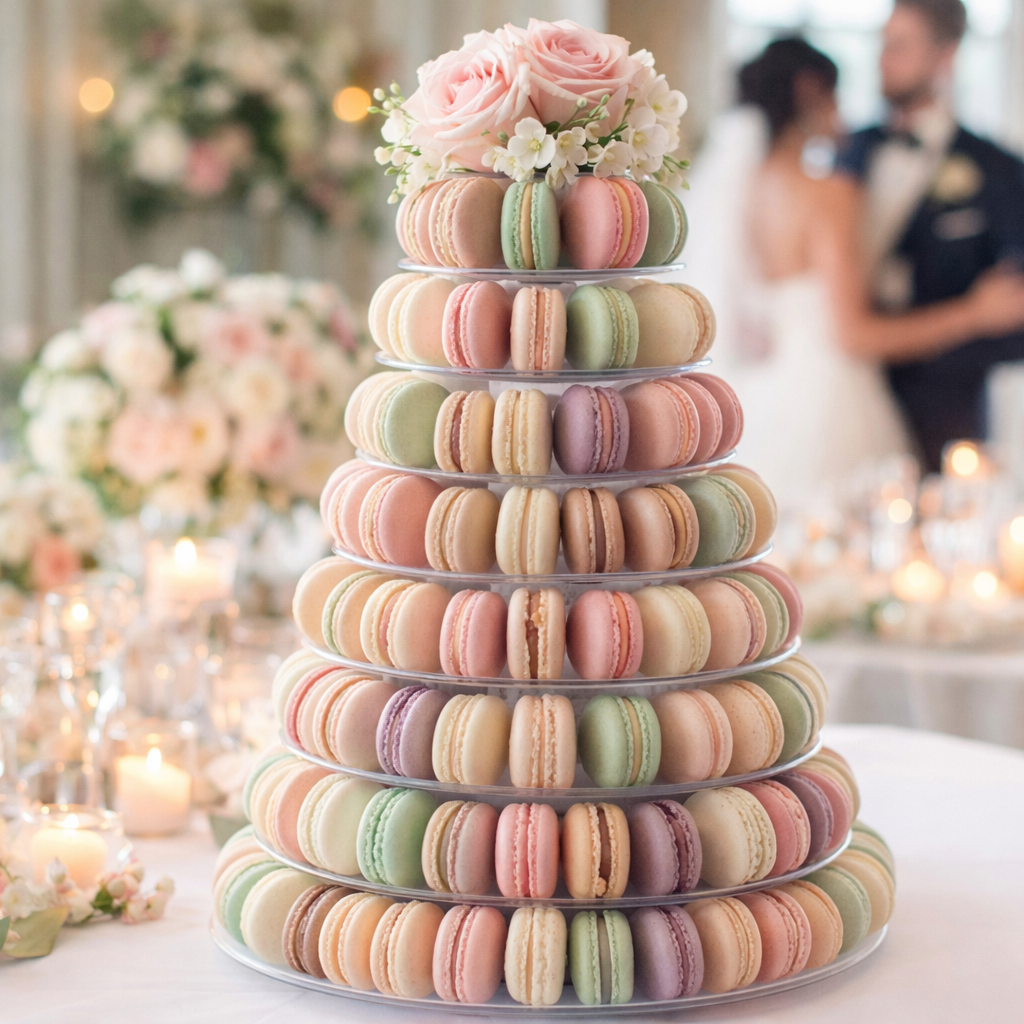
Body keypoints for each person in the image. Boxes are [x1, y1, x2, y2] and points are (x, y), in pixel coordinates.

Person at [683, 34, 1024, 508]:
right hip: (829, 398)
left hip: (765, 394)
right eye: (835, 96)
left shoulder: (739, 194)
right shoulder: (829, 193)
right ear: (809, 92)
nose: (841, 113)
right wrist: (976, 312)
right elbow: (854, 334)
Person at [837, 0, 1024, 471]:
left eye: (900, 46)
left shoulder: (997, 170)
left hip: (947, 408)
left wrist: (975, 322)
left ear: (946, 55)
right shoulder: (846, 150)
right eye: (883, 43)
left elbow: (1010, 306)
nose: (883, 58)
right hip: (845, 390)